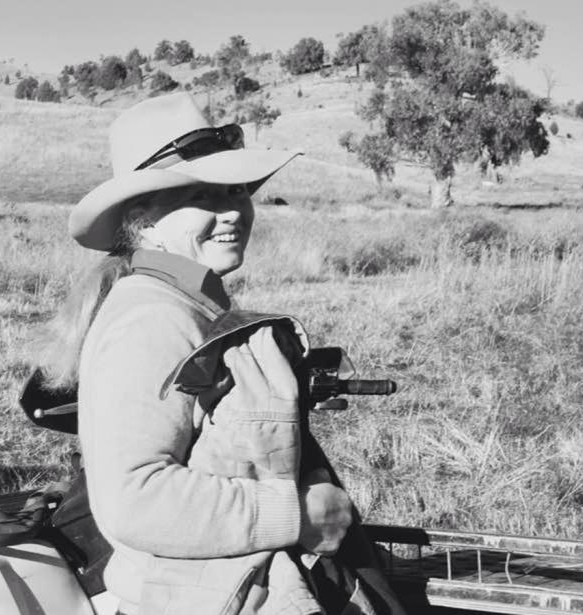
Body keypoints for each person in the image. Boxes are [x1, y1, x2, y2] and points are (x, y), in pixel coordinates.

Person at [38, 93, 403, 615]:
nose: (233, 209)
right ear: (143, 220)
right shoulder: (152, 318)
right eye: (204, 196)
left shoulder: (183, 303)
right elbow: (135, 500)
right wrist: (295, 515)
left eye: (238, 190)